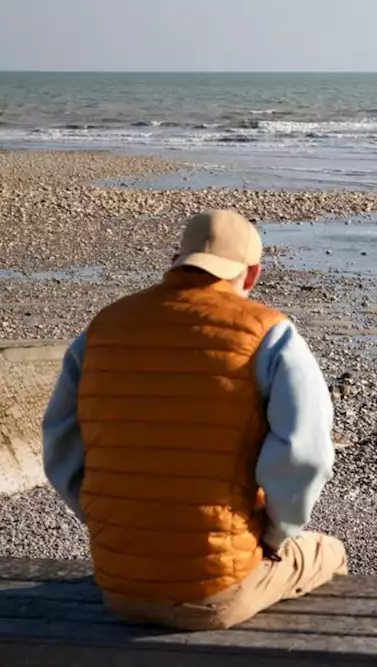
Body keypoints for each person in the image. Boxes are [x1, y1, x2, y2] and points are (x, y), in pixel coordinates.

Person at [41, 209, 347, 631]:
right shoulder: (271, 334)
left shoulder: (103, 328)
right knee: (328, 554)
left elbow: (60, 444)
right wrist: (275, 534)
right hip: (215, 592)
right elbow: (304, 455)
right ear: (252, 274)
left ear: (175, 259)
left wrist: (111, 523)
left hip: (118, 586)